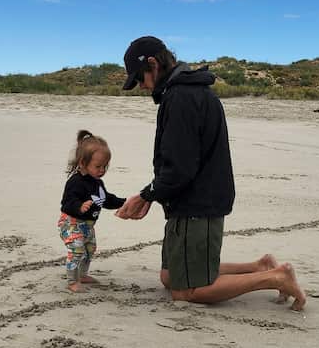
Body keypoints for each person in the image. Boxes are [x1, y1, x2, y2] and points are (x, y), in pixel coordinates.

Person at [114, 35, 306, 311]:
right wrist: (153, 195)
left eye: (140, 79)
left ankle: (276, 276)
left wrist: (146, 195)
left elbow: (180, 168)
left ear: (153, 65)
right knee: (169, 277)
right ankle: (260, 266)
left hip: (198, 205)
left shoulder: (182, 97)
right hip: (191, 201)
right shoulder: (183, 93)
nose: (141, 87)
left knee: (186, 292)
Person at [58, 130, 125, 292]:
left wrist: (124, 203)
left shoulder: (97, 182)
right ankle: (73, 281)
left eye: (105, 166)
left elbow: (106, 199)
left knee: (90, 249)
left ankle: (82, 274)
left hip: (87, 225)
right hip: (71, 223)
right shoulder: (75, 182)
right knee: (77, 250)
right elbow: (67, 203)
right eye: (98, 166)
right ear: (82, 163)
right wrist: (79, 207)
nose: (102, 170)